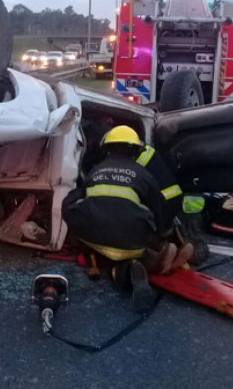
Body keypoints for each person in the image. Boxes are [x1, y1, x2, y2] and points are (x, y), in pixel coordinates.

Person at [62, 125, 187, 312]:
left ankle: (120, 268)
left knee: (95, 240)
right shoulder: (144, 175)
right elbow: (160, 212)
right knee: (135, 242)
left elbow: (74, 200)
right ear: (136, 151)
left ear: (107, 149)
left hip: (94, 239)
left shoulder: (94, 172)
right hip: (132, 242)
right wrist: (163, 236)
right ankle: (150, 259)